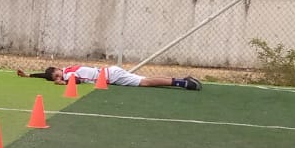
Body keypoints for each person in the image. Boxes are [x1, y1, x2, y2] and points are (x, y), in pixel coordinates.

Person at [17, 64, 201, 90]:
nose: (58, 77)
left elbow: (76, 81)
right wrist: (29, 76)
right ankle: (182, 79)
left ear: (59, 71)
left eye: (57, 75)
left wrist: (63, 83)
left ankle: (183, 83)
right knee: (145, 78)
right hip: (110, 71)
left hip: (110, 76)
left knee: (145, 82)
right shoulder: (66, 69)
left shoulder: (68, 73)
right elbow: (46, 75)